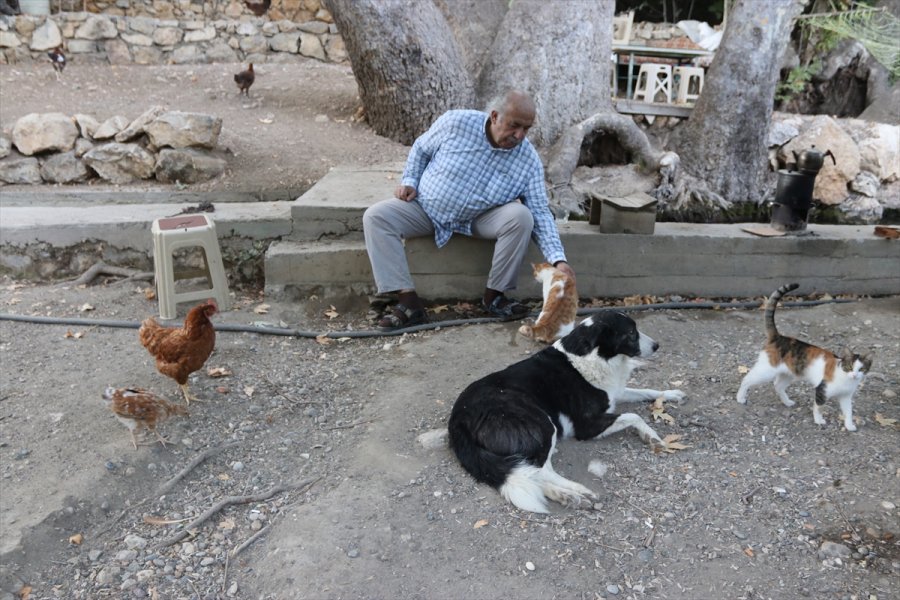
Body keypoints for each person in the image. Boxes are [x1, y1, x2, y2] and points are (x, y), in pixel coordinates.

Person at [363, 90, 575, 331]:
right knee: (376, 217)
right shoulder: (456, 122)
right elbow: (421, 148)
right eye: (514, 126)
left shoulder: (528, 160)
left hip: (477, 220)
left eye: (526, 129)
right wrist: (410, 180)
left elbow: (539, 212)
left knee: (522, 217)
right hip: (426, 208)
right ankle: (408, 303)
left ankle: (495, 297)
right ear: (495, 116)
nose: (519, 135)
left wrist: (558, 260)